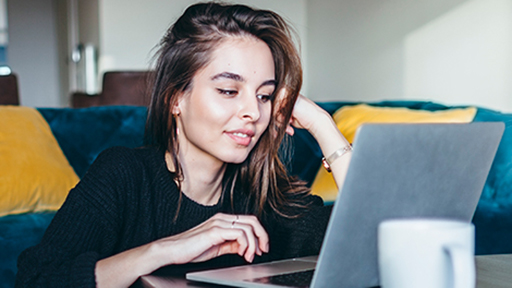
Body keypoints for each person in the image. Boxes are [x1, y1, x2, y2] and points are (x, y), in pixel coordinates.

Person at [15, 2, 352, 287]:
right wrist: (163, 251)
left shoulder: (266, 194)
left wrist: (323, 126)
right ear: (176, 98)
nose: (253, 112)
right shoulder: (123, 176)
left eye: (265, 95)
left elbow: (376, 238)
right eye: (228, 91)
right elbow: (37, 278)